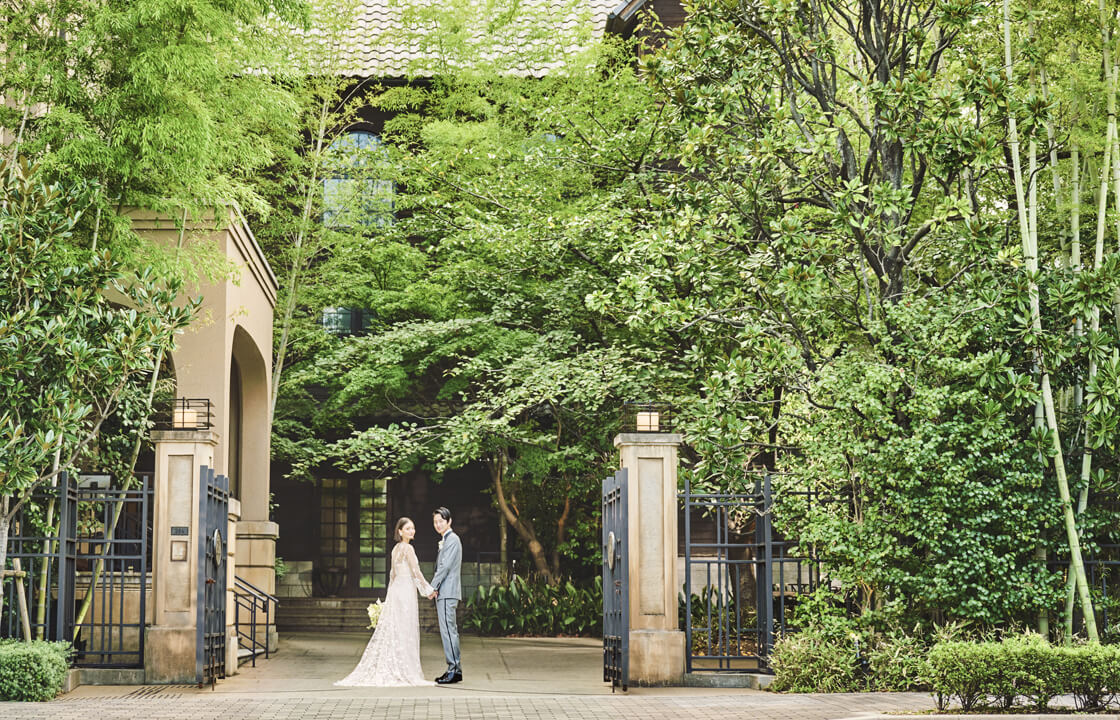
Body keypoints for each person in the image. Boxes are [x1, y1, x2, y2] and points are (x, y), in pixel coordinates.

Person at [335, 517, 434, 687]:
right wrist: (429, 590)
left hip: (397, 590)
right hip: (405, 591)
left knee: (397, 628)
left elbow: (392, 575)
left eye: (413, 528)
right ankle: (404, 669)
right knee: (405, 628)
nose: (412, 531)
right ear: (400, 531)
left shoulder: (395, 549)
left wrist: (389, 596)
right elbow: (416, 572)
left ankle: (397, 664)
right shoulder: (408, 548)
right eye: (408, 528)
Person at [429, 506, 463, 684]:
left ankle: (454, 670)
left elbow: (445, 567)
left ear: (449, 521)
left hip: (447, 592)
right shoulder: (446, 539)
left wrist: (432, 587)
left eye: (441, 521)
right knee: (449, 631)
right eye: (435, 522)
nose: (438, 524)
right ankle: (454, 669)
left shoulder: (452, 539)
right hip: (446, 592)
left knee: (449, 632)